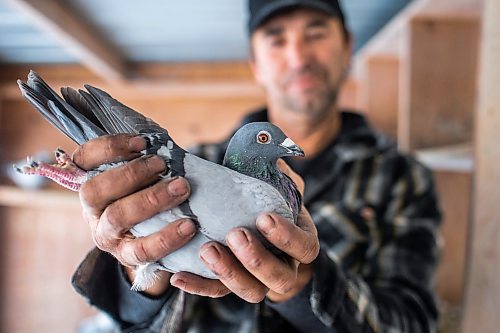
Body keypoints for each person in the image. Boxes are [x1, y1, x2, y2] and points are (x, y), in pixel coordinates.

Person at [71, 0, 442, 332]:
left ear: (347, 48)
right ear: (256, 64)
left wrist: (305, 281)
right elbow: (129, 321)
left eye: (315, 34)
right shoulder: (187, 165)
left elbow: (412, 323)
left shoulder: (400, 177)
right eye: (277, 40)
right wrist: (139, 264)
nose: (298, 57)